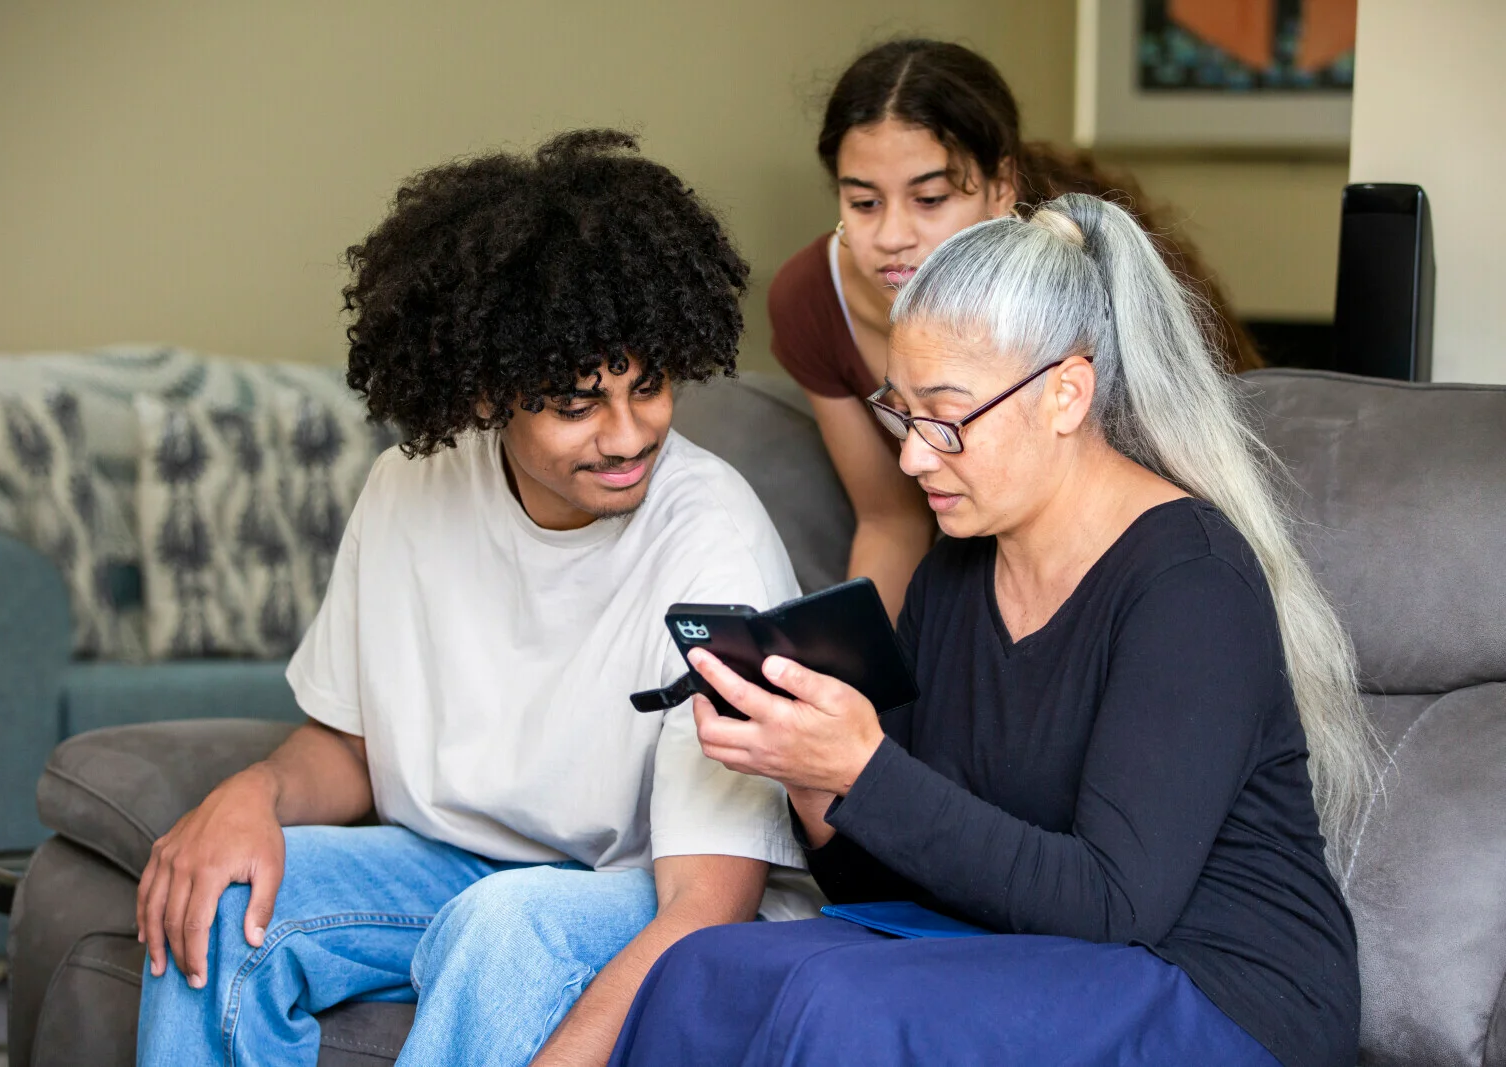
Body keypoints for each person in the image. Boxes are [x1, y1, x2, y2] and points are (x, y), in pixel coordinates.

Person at [609, 194, 1378, 1067]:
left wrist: (865, 768)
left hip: (1216, 987)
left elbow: (1114, 903)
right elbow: (890, 876)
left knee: (847, 1004)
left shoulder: (1190, 578)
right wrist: (813, 779)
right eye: (901, 413)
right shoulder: (956, 569)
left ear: (1065, 393)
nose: (912, 457)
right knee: (702, 972)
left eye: (945, 417)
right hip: (1015, 945)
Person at [133, 130, 818, 1067]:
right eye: (578, 403)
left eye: (649, 385)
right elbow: (350, 744)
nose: (628, 435)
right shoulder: (406, 493)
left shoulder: (716, 540)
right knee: (216, 898)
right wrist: (249, 793)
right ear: (492, 392)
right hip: (451, 868)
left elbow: (713, 898)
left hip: (649, 886)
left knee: (508, 922)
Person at [771, 39, 1262, 621]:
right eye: (864, 202)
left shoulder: (1086, 273)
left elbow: (1178, 487)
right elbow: (890, 517)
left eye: (929, 198)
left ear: (1002, 188)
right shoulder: (811, 298)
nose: (892, 236)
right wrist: (844, 676)